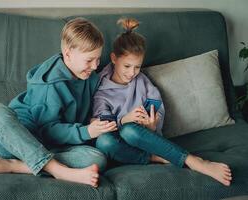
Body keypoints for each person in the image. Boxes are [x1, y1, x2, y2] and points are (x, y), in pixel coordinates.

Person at [0, 17, 118, 188]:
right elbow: (47, 131)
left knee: (97, 159)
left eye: (97, 59)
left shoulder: (89, 76)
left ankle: (15, 166)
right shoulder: (50, 85)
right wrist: (86, 131)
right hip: (19, 143)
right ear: (67, 54)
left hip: (51, 148)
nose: (95, 66)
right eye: (89, 60)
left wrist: (93, 122)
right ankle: (59, 170)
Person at [92, 18, 232, 186]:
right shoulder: (101, 88)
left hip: (145, 138)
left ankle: (194, 161)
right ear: (114, 58)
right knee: (104, 142)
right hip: (122, 148)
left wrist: (151, 126)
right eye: (127, 66)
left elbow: (156, 109)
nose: (132, 73)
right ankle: (155, 157)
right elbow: (101, 126)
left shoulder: (142, 81)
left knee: (131, 131)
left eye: (137, 67)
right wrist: (124, 119)